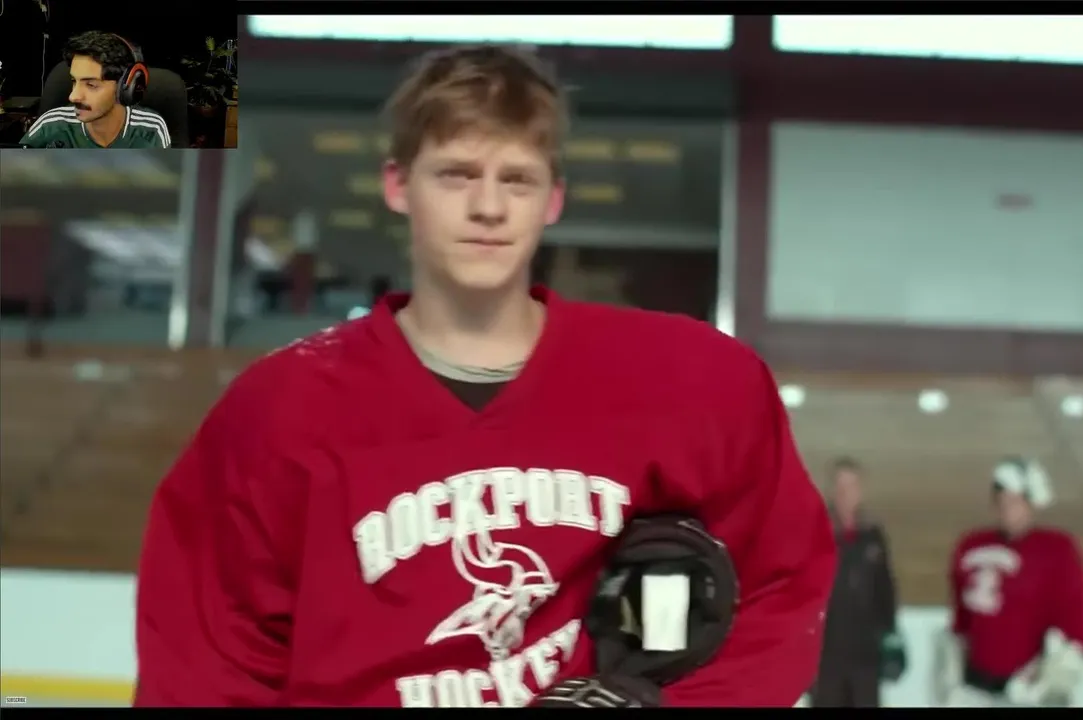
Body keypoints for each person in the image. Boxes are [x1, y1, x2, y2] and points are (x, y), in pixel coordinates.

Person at [132, 44, 836, 708]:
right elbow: (205, 664)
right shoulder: (277, 411)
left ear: (553, 199)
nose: (489, 207)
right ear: (398, 185)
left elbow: (780, 587)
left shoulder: (688, 380)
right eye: (457, 174)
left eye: (517, 179)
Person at [931, 457, 1083, 707]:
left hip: (1029, 689)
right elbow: (962, 619)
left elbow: (1077, 617)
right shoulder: (971, 546)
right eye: (1000, 500)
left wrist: (1057, 674)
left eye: (1014, 501)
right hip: (976, 687)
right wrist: (951, 664)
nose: (1006, 508)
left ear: (1032, 502)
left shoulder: (1056, 550)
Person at [812, 457, 903, 708]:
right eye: (840, 486)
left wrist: (891, 636)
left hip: (865, 658)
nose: (845, 493)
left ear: (860, 491)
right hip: (826, 659)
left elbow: (885, 590)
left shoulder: (873, 537)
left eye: (851, 486)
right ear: (831, 490)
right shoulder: (816, 534)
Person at [19, 31, 171, 149]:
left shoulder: (151, 129)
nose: (73, 96)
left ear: (127, 87)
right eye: (74, 81)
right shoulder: (51, 125)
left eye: (91, 85)